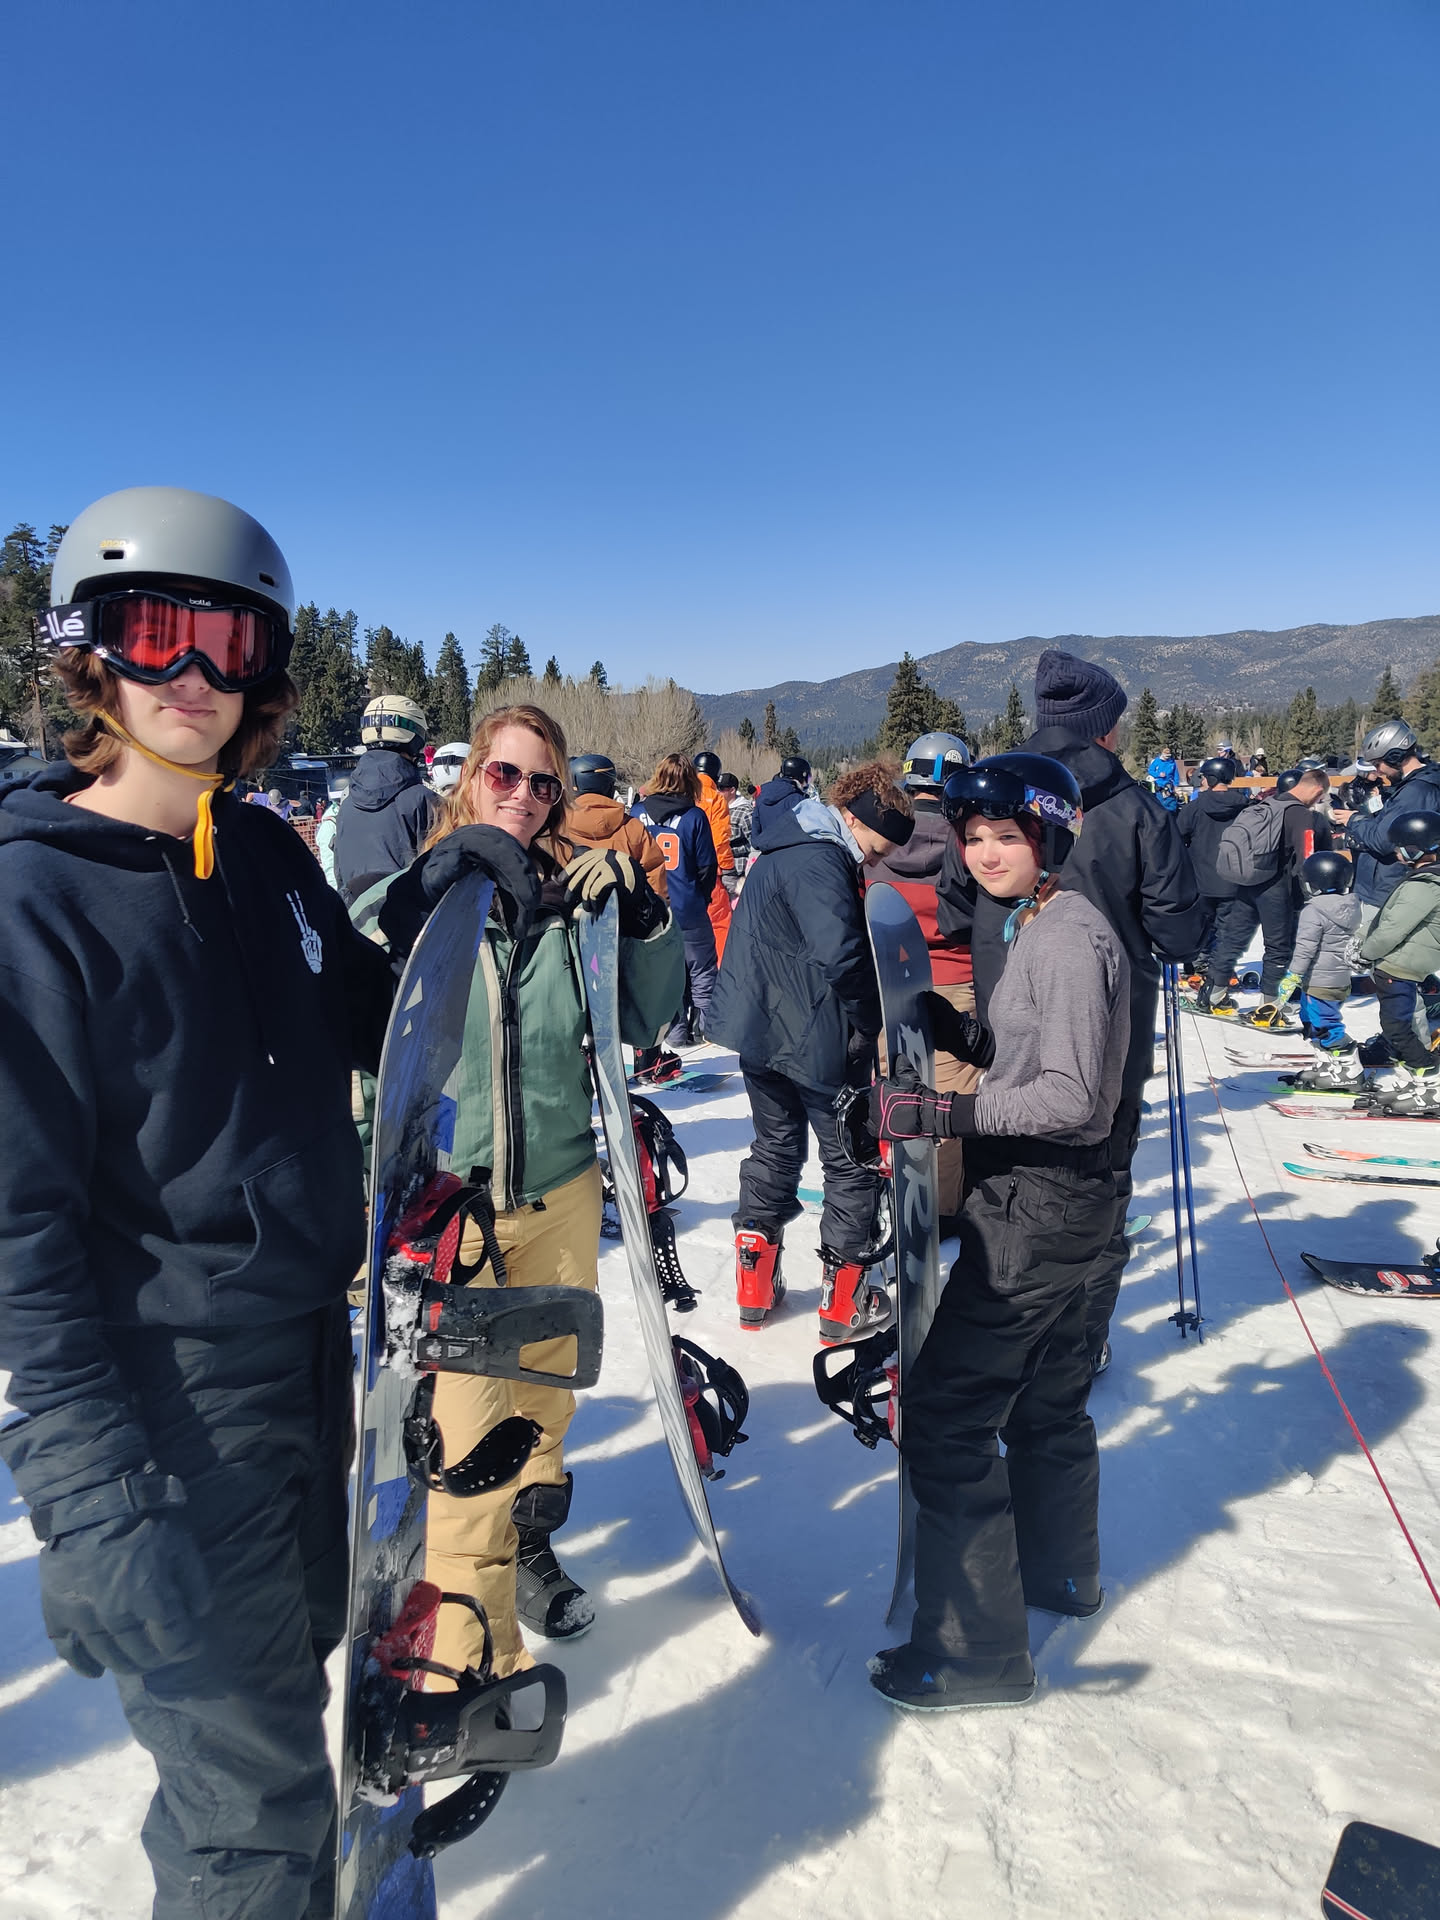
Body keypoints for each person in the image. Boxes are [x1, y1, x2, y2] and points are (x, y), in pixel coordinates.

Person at [0, 485, 400, 1919]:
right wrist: (91, 1499)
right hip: (170, 1403)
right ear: (86, 654)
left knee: (291, 1707)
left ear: (264, 669)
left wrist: (474, 887)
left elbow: (378, 1017)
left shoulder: (268, 858)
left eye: (224, 640)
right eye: (148, 630)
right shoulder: (34, 903)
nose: (189, 674)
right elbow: (18, 1241)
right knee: (253, 1814)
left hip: (306, 1366)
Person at [354, 705, 683, 1677]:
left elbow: (645, 1019)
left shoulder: (569, 902)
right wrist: (366, 1195)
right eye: (505, 774)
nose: (525, 796)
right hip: (451, 1209)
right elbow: (366, 1038)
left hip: (562, 1192)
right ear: (470, 780)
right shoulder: (421, 900)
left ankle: (530, 1549)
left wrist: (644, 917)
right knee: (468, 1453)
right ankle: (476, 1670)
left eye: (544, 782)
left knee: (545, 1402)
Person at [856, 752, 1129, 1711]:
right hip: (1071, 1208)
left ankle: (977, 1655)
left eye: (1006, 836)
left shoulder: (1066, 938)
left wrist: (943, 1116)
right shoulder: (1039, 921)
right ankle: (1062, 1574)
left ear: (1048, 838)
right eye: (973, 837)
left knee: (945, 1415)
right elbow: (1032, 1059)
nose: (984, 853)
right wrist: (957, 1032)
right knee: (1046, 1404)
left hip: (1040, 1210)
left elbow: (1072, 1098)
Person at [938, 651, 1204, 1373]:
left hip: (1008, 1027)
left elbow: (953, 908)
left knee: (1011, 1184)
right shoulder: (1138, 808)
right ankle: (1076, 1348)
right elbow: (1181, 932)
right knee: (1097, 1188)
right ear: (1105, 728)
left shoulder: (994, 797)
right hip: (1112, 1037)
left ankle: (1016, 1336)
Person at [707, 763, 913, 1342]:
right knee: (850, 1159)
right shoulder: (821, 859)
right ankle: (845, 1300)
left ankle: (754, 1284)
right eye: (876, 847)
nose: (873, 860)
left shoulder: (783, 843)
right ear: (854, 819)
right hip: (814, 1035)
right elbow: (840, 953)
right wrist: (869, 1022)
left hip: (760, 1029)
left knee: (774, 1147)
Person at [870, 731, 979, 1232]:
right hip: (956, 980)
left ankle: (891, 1184)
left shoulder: (881, 839)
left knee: (895, 1090)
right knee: (948, 1101)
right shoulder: (970, 840)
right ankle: (942, 1209)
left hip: (890, 979)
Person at [566, 752, 678, 1086]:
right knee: (629, 994)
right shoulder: (632, 827)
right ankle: (646, 1056)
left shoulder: (559, 825)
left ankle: (580, 1058)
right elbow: (655, 881)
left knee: (579, 997)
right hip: (624, 934)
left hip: (575, 934)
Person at [1341, 720, 1440, 1065]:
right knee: (1393, 976)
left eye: (1380, 764)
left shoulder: (1417, 791)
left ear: (1397, 757)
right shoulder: (1411, 787)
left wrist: (1354, 821)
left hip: (1391, 887)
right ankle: (1400, 1040)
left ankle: (1414, 1051)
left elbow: (1387, 839)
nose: (1378, 772)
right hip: (1388, 884)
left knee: (1395, 976)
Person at [1202, 764, 1332, 1014]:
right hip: (1277, 886)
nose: (1318, 801)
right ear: (1317, 790)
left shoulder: (1268, 804)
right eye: (1320, 797)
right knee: (1277, 947)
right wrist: (1311, 889)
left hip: (1249, 880)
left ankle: (1214, 993)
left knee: (1233, 938)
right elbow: (1307, 856)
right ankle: (1271, 1004)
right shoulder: (1301, 814)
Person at [633, 756, 720, 1050]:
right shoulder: (694, 817)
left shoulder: (637, 813)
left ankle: (675, 1035)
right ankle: (709, 1033)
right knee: (702, 971)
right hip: (688, 905)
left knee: (666, 977)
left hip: (650, 910)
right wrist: (701, 898)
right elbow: (707, 868)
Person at [1354, 811, 1440, 1103]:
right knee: (1399, 1024)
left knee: (1398, 1027)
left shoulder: (1425, 885)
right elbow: (1386, 916)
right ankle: (1417, 1077)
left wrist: (1365, 953)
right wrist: (1362, 938)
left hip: (1402, 964)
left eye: (1401, 846)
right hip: (1402, 962)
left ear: (1419, 848)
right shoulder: (1421, 879)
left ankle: (1428, 1078)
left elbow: (1392, 928)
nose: (1396, 852)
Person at [333, 692, 438, 901]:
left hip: (354, 917)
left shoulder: (346, 806)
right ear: (416, 737)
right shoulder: (425, 802)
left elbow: (340, 875)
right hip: (410, 919)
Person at [1277, 851, 1362, 1085]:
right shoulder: (1351, 905)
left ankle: (1350, 1071)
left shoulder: (1313, 910)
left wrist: (1293, 975)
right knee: (1310, 1018)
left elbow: (1306, 948)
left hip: (1319, 980)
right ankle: (1327, 1062)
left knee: (1325, 1023)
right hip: (1338, 978)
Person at [1178, 756, 1251, 980]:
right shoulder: (1245, 807)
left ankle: (1198, 965)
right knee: (1227, 927)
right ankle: (1222, 967)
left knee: (1201, 925)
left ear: (1210, 779)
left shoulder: (1194, 808)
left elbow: (1178, 837)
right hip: (1235, 879)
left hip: (1201, 878)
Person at [692, 750, 737, 949]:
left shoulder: (681, 793)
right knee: (719, 923)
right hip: (709, 872)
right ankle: (720, 965)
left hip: (678, 872)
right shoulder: (716, 799)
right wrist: (728, 869)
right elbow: (719, 840)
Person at [719, 771, 755, 875]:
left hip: (738, 868)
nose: (718, 791)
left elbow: (754, 843)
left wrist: (731, 849)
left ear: (732, 790)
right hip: (719, 867)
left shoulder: (745, 812)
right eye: (717, 788)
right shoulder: (717, 809)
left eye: (721, 788)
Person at [1145, 748, 1182, 812]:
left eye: (1169, 756)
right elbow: (1150, 771)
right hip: (1158, 783)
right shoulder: (1157, 761)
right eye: (1166, 756)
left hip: (1169, 783)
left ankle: (1171, 811)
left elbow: (1176, 774)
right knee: (1160, 800)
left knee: (1171, 800)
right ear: (1162, 754)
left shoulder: (1172, 762)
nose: (1167, 757)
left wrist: (1176, 784)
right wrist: (1158, 774)